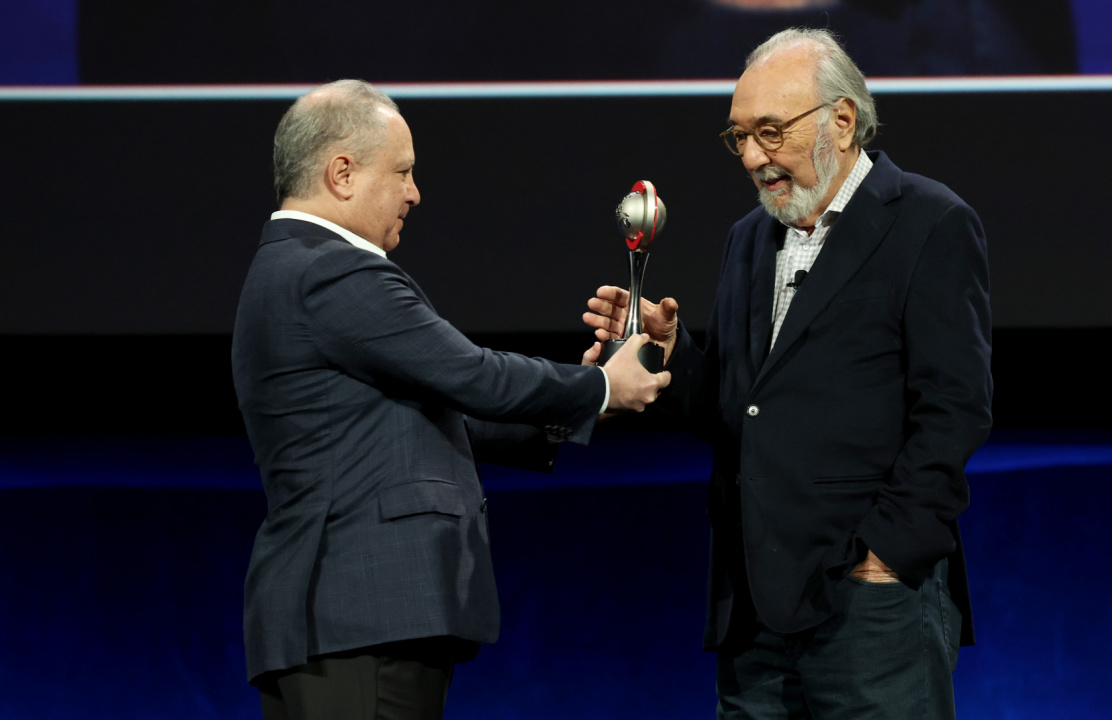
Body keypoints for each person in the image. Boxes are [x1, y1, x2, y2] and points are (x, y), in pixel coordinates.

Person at [584, 28, 992, 719]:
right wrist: (667, 352)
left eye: (769, 133)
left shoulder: (929, 221)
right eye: (738, 136)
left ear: (841, 119)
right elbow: (740, 410)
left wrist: (886, 558)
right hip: (754, 608)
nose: (750, 156)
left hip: (869, 602)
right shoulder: (749, 237)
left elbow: (955, 410)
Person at [233, 79, 668, 720]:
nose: (415, 193)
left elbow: (441, 411)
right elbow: (472, 375)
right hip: (358, 618)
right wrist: (602, 385)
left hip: (347, 624)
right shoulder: (328, 268)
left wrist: (592, 393)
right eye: (403, 172)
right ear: (342, 173)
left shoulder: (292, 267)